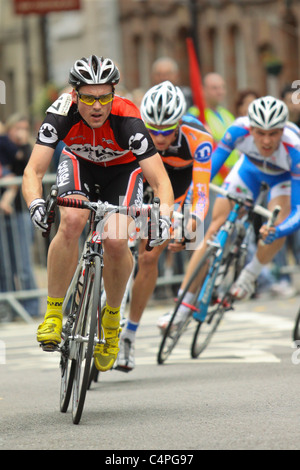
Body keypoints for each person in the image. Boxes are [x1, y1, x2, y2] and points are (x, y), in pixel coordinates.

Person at [22, 55, 174, 372]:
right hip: (79, 165)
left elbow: (160, 181)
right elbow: (33, 172)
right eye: (88, 97)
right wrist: (35, 203)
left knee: (117, 239)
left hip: (122, 172)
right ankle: (53, 313)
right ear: (75, 94)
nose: (96, 106)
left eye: (104, 97)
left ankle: (112, 318)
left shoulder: (129, 121)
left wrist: (164, 217)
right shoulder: (60, 114)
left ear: (113, 94)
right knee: (73, 221)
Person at [158, 95, 300, 329]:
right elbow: (207, 172)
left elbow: (297, 209)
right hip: (248, 172)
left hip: (282, 180)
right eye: (259, 132)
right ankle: (181, 310)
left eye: (273, 133)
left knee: (278, 219)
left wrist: (279, 229)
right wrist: (190, 202)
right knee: (213, 230)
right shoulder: (237, 130)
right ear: (250, 127)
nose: (266, 141)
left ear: (282, 130)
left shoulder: (294, 148)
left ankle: (249, 276)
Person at [116, 80, 213, 372]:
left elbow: (201, 192)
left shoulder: (199, 138)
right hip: (138, 181)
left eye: (167, 130)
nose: (159, 137)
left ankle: (129, 336)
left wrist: (190, 224)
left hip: (175, 192)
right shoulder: (131, 129)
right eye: (153, 129)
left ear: (180, 122)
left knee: (149, 256)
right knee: (113, 240)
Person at [0, 114, 39, 319]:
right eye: (18, 128)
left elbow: (26, 171)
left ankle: (31, 308)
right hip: (3, 213)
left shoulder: (27, 150)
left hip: (21, 211)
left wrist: (22, 147)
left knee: (23, 264)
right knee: (4, 265)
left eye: (25, 128)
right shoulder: (4, 146)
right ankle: (7, 308)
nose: (21, 132)